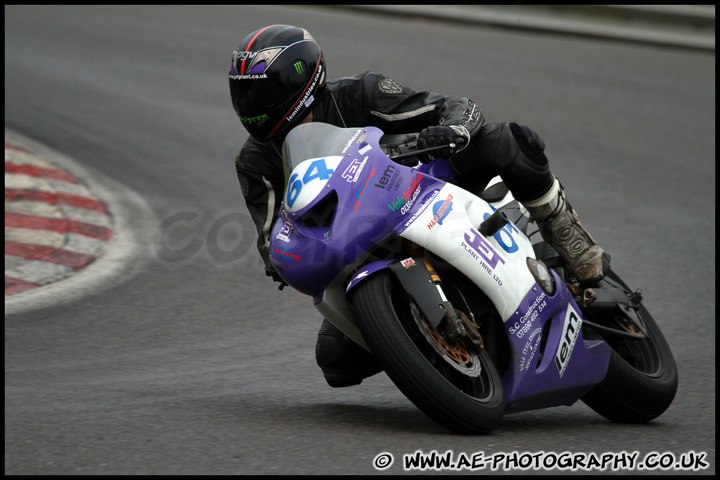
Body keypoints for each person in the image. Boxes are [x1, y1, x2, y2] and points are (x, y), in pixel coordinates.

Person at [229, 24, 607, 388]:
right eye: (242, 96)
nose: (249, 107)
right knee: (335, 361)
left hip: (424, 184)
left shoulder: (362, 93)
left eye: (257, 96)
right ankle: (418, 341)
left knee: (506, 139)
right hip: (353, 240)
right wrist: (283, 258)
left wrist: (455, 128)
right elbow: (271, 235)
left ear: (299, 82)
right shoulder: (255, 161)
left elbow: (455, 107)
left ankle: (564, 231)